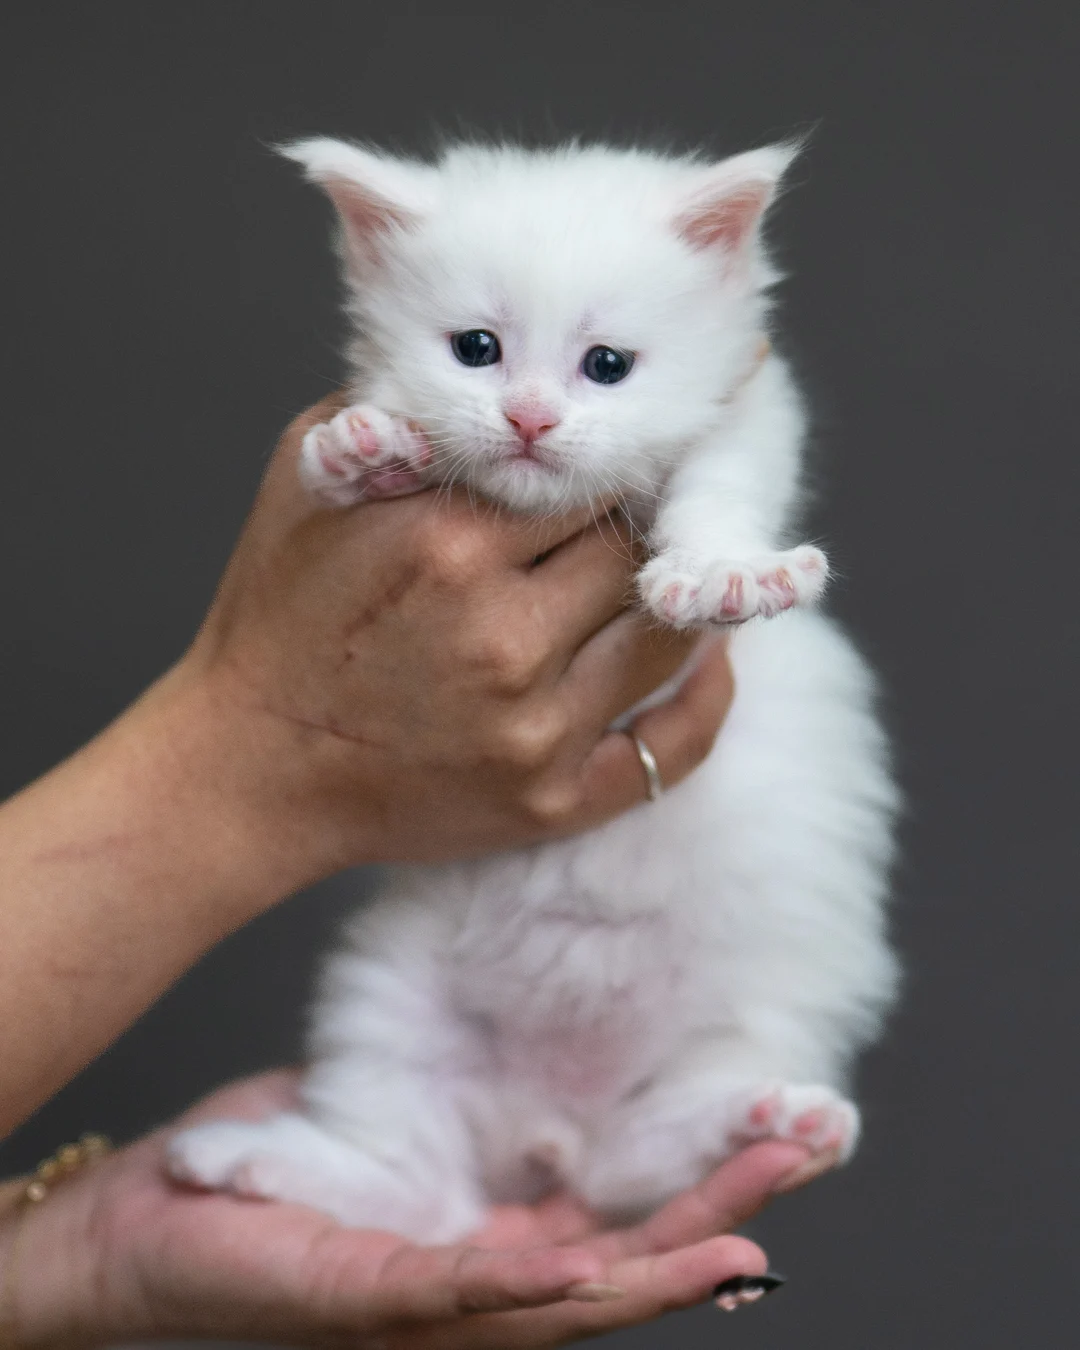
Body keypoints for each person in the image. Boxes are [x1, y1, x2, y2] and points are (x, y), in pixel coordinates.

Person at [0, 396, 832, 1345]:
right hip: (481, 975)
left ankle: (675, 1113)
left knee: (736, 1014)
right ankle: (388, 1158)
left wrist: (75, 1253)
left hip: (680, 944)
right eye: (477, 349)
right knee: (396, 990)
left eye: (607, 368)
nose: (531, 408)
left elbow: (741, 424)